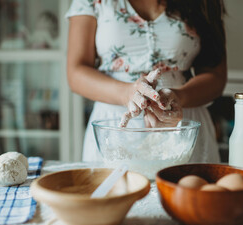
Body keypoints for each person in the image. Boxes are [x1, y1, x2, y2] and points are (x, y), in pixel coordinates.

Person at [66, 0, 227, 163]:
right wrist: (127, 94)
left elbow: (216, 75)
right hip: (114, 127)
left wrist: (180, 96)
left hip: (183, 126)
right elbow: (76, 72)